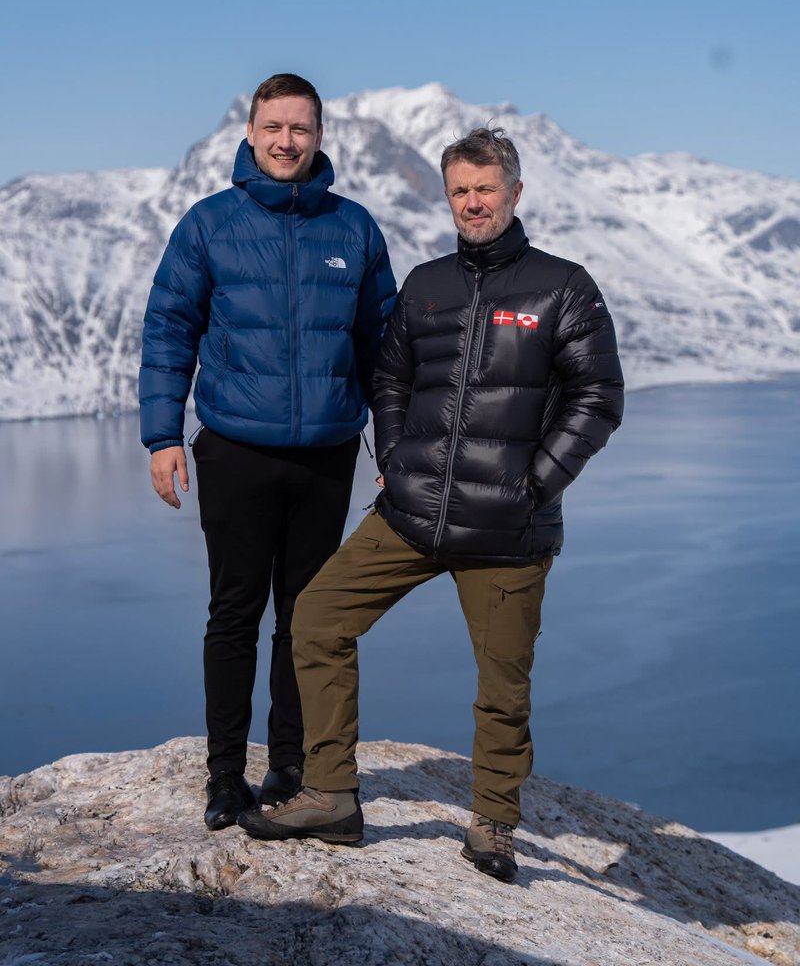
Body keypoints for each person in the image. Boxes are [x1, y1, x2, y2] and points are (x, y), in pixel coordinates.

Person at [238, 126, 624, 883]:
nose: (472, 203)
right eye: (460, 191)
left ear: (515, 193)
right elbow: (389, 378)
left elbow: (598, 397)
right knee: (316, 619)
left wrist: (534, 484)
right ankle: (330, 795)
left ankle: (492, 826)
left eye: (485, 189)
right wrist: (393, 456)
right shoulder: (428, 283)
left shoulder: (562, 286)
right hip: (411, 515)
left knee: (502, 686)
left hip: (509, 530)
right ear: (447, 196)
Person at [139, 73, 396, 831]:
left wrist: (393, 443)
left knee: (308, 616)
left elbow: (383, 348)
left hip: (325, 453)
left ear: (320, 138)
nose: (287, 141)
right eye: (274, 127)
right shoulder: (209, 224)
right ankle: (226, 777)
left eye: (301, 129)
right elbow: (169, 330)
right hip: (235, 450)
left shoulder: (353, 229)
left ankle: (293, 767)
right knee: (235, 613)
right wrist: (162, 436)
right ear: (250, 134)